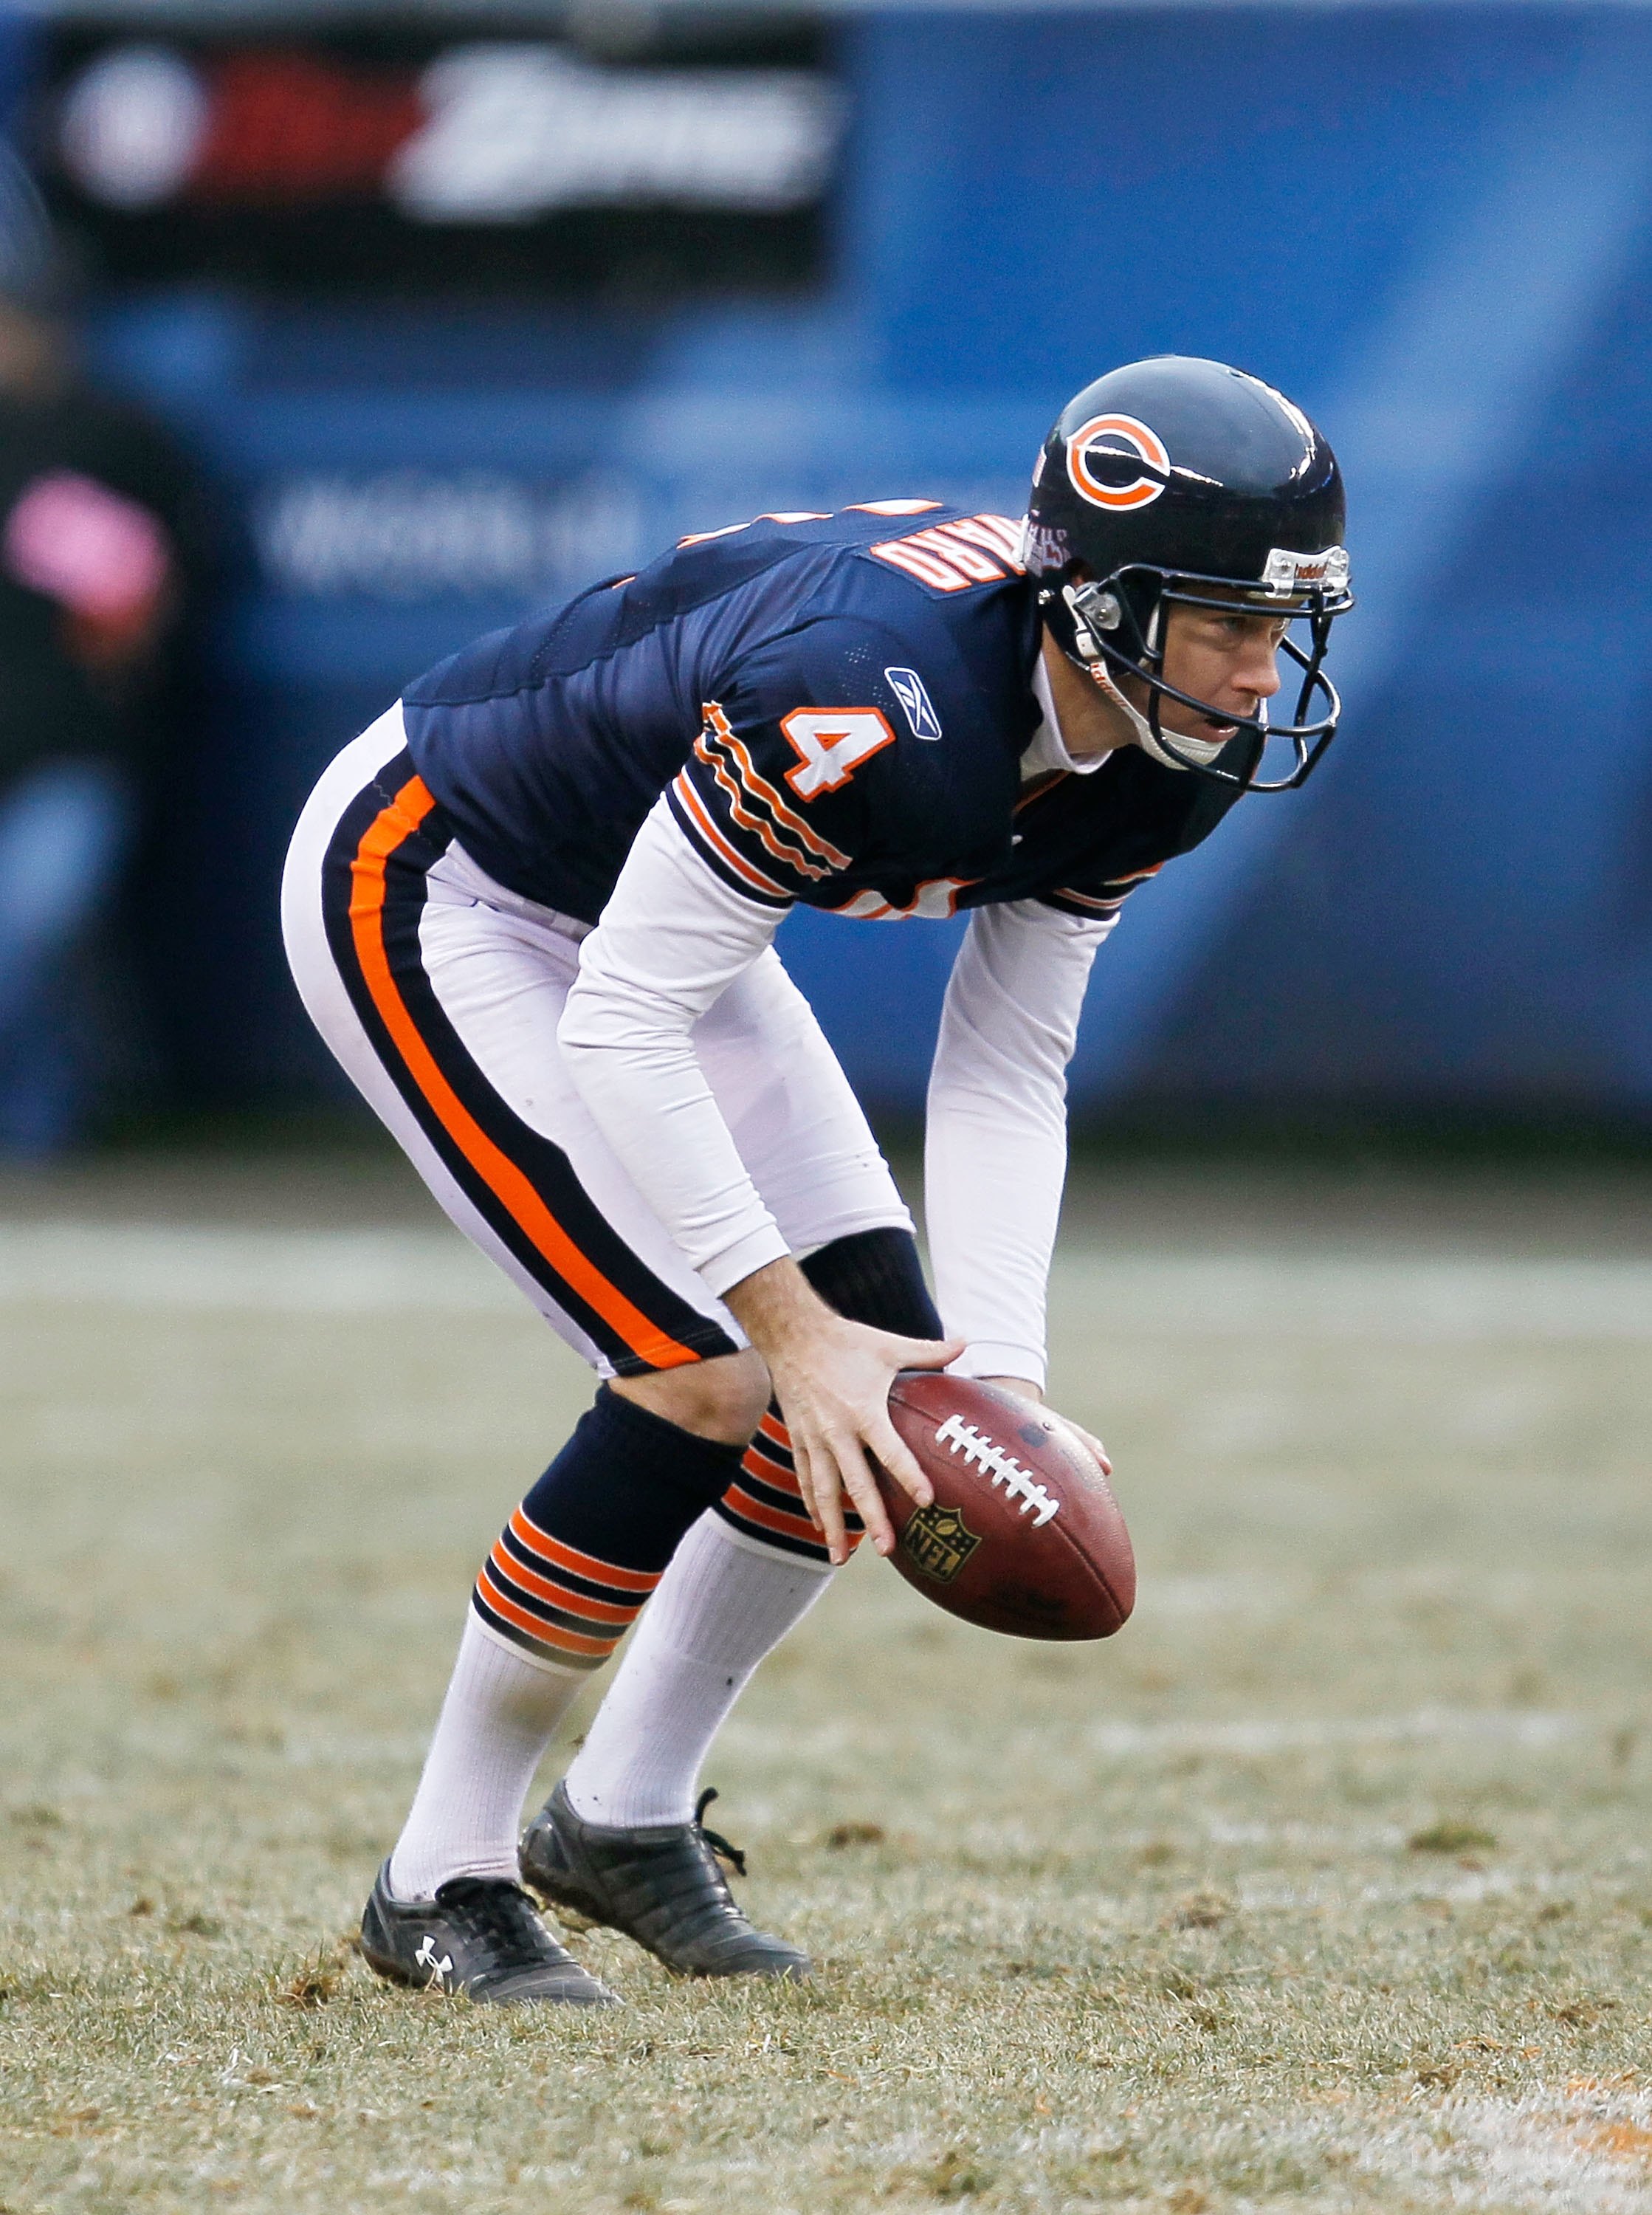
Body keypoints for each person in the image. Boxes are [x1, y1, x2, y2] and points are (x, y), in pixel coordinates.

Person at [282, 354, 1352, 2006]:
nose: (1259, 666)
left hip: (660, 930)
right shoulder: (872, 689)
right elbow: (628, 1014)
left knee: (896, 1374)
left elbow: (1006, 1064)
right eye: (1226, 619)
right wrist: (776, 1322)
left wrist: (1004, 1377)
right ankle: (442, 1871)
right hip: (448, 880)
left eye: (1285, 621)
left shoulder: (1164, 749)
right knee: (704, 1374)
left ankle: (621, 1820)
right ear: (1099, 600)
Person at [0, 149, 211, 1155]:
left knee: (31, 926)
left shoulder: (116, 439)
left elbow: (170, 592)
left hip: (71, 746)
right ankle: (38, 1125)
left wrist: (135, 635)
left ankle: (38, 1128)